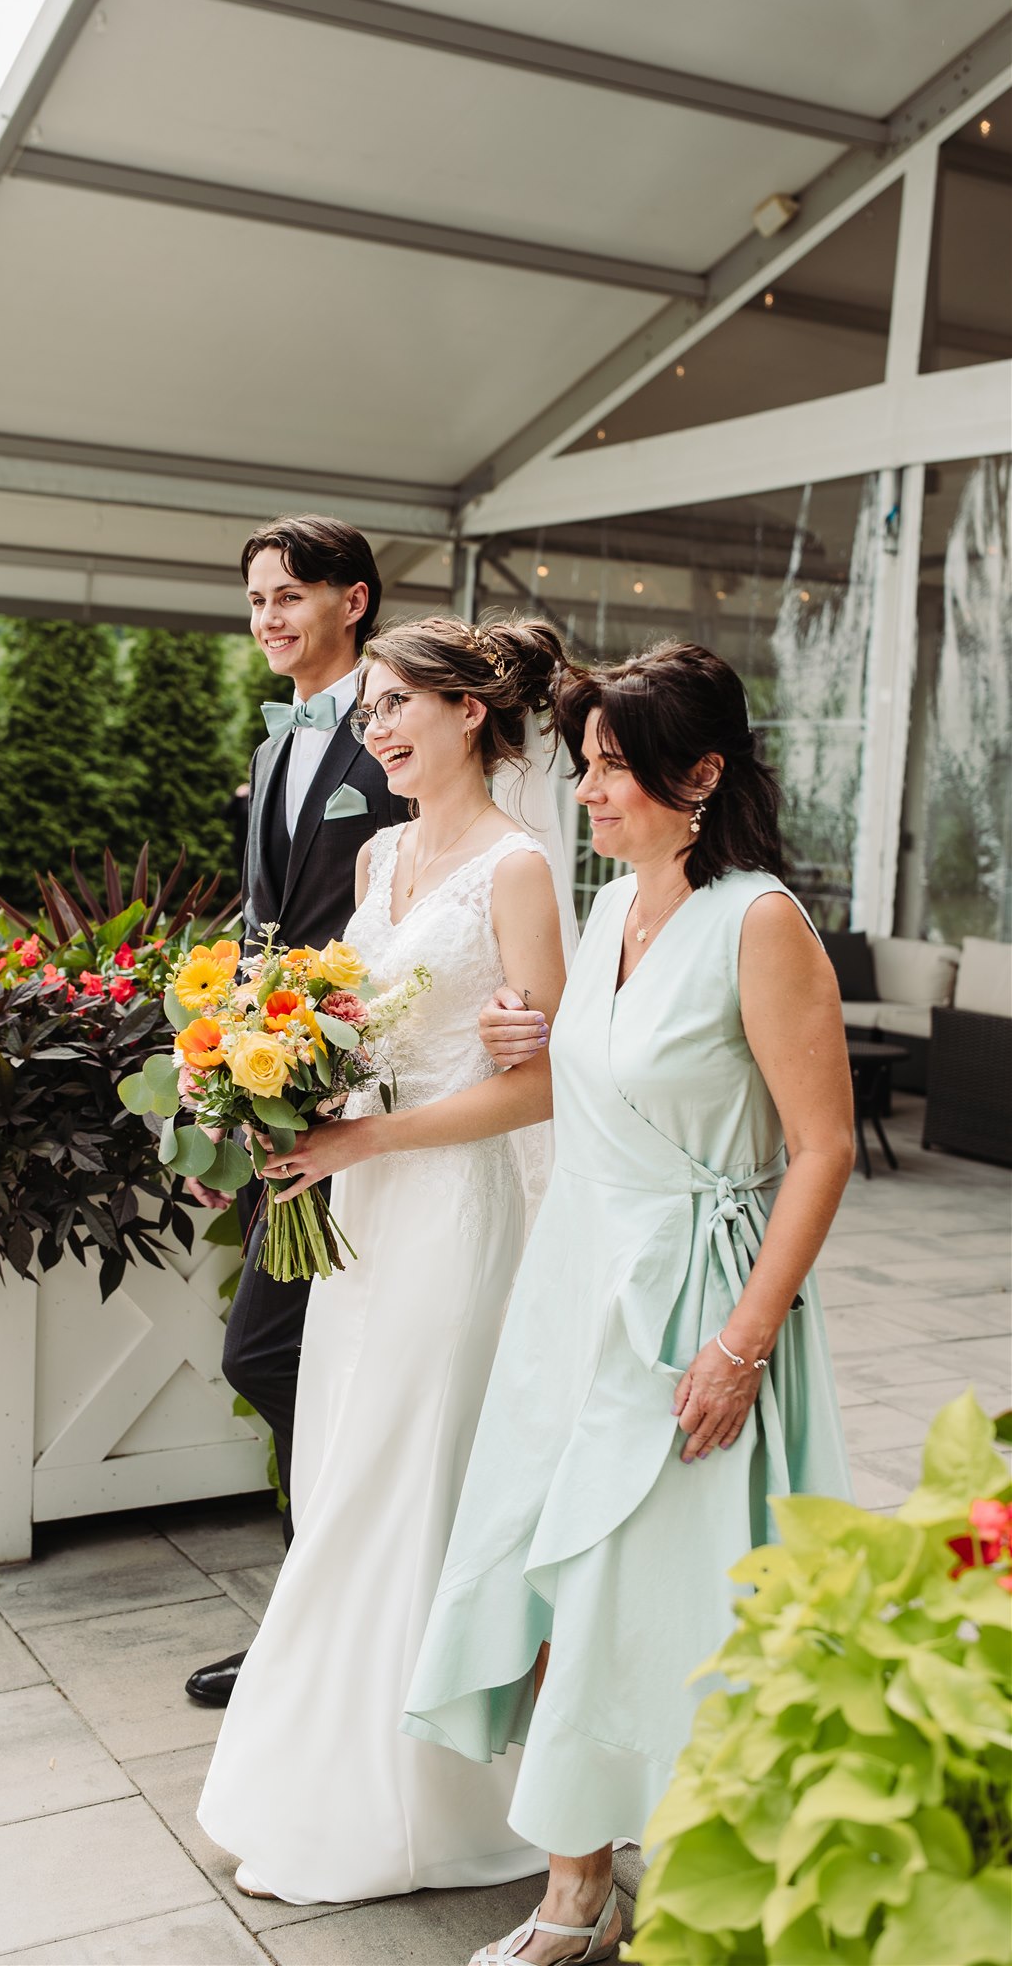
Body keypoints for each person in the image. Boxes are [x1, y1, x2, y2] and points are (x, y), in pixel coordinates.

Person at [403, 641, 855, 1966]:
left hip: (696, 1306)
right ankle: (583, 1879)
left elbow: (817, 1150)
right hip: (575, 1292)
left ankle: (599, 1892)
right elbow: (617, 1068)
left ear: (700, 772)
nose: (587, 794)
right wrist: (538, 1046)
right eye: (586, 765)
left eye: (612, 770)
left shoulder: (758, 921)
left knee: (645, 1599)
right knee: (556, 1585)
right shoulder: (608, 914)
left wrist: (737, 1347)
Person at [197, 614, 578, 1907]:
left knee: (401, 1487)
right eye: (366, 718)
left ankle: (418, 1813)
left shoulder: (518, 868)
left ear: (469, 711)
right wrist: (271, 1096)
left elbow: (538, 1093)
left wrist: (372, 1134)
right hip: (356, 1220)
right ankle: (326, 1785)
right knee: (336, 1473)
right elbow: (348, 1030)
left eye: (395, 708)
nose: (377, 734)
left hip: (450, 1214)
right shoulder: (370, 863)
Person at [185, 515, 410, 1710]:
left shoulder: (406, 726)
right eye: (256, 599)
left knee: (278, 1351)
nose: (267, 617)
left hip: (389, 1101)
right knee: (281, 1355)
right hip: (292, 1090)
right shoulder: (276, 749)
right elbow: (265, 923)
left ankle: (334, 1621)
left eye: (288, 595)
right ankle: (317, 1620)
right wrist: (223, 1076)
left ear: (353, 599)